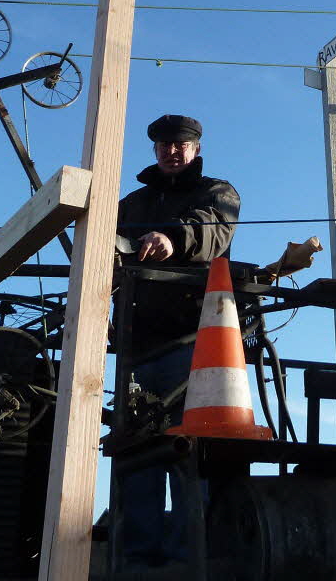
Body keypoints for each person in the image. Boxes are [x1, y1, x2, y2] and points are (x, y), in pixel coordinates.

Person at [115, 114, 240, 569]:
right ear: (155, 150)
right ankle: (137, 562)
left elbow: (211, 228)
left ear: (196, 149)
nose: (172, 151)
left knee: (191, 452)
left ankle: (196, 560)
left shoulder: (218, 193)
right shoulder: (131, 203)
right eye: (165, 144)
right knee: (137, 454)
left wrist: (171, 239)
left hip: (195, 343)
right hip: (137, 347)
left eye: (181, 145)